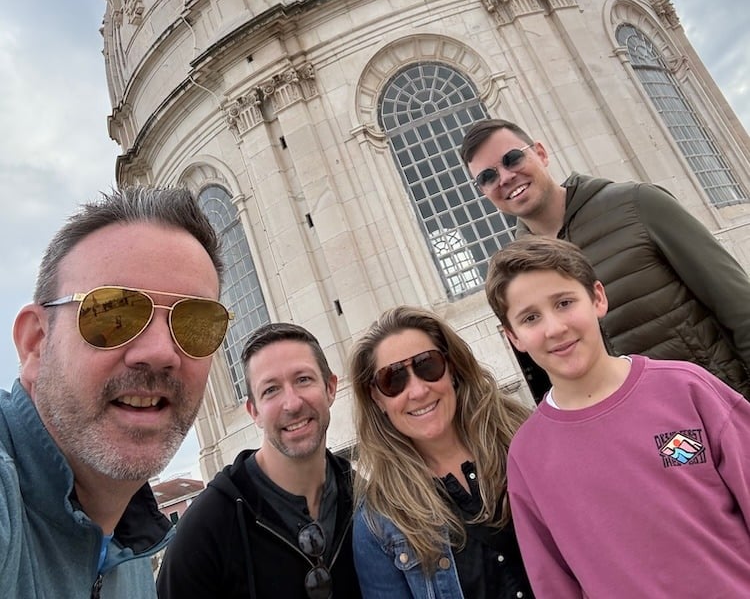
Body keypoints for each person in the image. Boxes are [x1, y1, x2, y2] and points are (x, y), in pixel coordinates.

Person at [485, 235, 750, 597]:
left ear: (597, 298)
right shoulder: (528, 457)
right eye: (531, 318)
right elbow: (554, 584)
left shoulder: (687, 389)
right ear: (513, 336)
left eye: (564, 303)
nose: (555, 328)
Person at [2, 186, 228, 598]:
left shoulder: (132, 550)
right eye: (116, 313)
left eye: (198, 323)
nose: (161, 352)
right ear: (36, 342)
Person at [460, 118, 750, 397]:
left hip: (724, 408)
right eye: (488, 177)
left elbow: (739, 307)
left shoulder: (637, 204)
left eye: (512, 159)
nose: (506, 177)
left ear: (541, 153)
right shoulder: (517, 271)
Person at [157, 322, 361, 599]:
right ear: (254, 412)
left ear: (330, 388)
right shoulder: (204, 532)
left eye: (303, 379)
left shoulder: (367, 500)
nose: (292, 404)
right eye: (271, 390)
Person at [350, 305, 533, 599]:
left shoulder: (526, 440)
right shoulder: (378, 523)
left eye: (427, 365)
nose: (418, 390)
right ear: (376, 397)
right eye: (393, 379)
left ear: (452, 369)